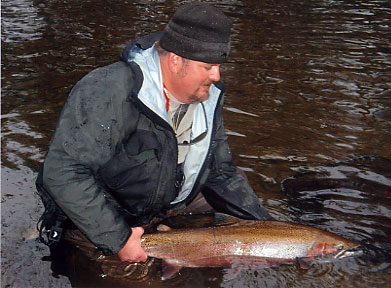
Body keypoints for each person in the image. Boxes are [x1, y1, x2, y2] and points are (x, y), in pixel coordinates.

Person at [36, 2, 272, 264]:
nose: (216, 76)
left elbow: (221, 172)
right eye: (207, 67)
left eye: (218, 65)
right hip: (107, 213)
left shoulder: (206, 97)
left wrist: (269, 232)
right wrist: (117, 238)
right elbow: (62, 171)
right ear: (175, 60)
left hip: (165, 203)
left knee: (235, 181)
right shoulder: (107, 90)